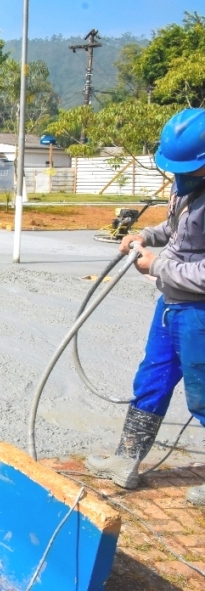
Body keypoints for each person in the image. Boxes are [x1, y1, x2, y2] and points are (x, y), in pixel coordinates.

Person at [86, 108, 205, 505]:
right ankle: (126, 461)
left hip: (199, 315)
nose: (179, 175)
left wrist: (159, 267)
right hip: (172, 307)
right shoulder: (186, 188)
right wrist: (147, 235)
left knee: (202, 396)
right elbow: (175, 227)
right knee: (151, 381)